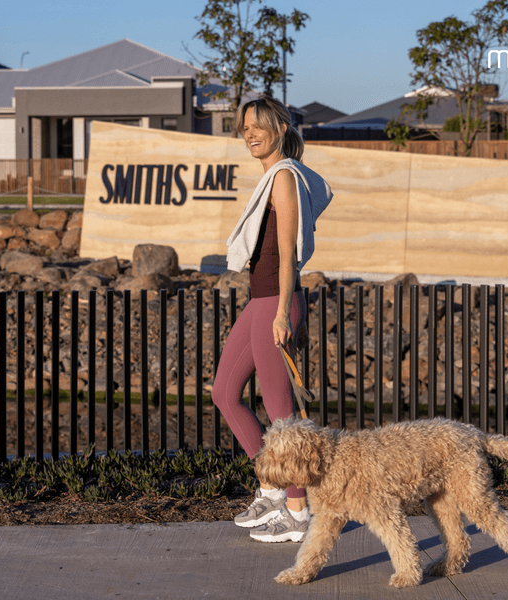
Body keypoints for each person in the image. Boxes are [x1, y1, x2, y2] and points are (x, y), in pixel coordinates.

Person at [212, 96, 332, 543]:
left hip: (275, 304)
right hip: (260, 301)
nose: (250, 133)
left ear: (281, 128)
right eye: (245, 127)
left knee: (281, 412)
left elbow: (287, 255)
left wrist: (282, 312)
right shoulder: (273, 178)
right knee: (225, 393)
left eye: (258, 125)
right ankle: (270, 487)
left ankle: (298, 512)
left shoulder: (283, 177)